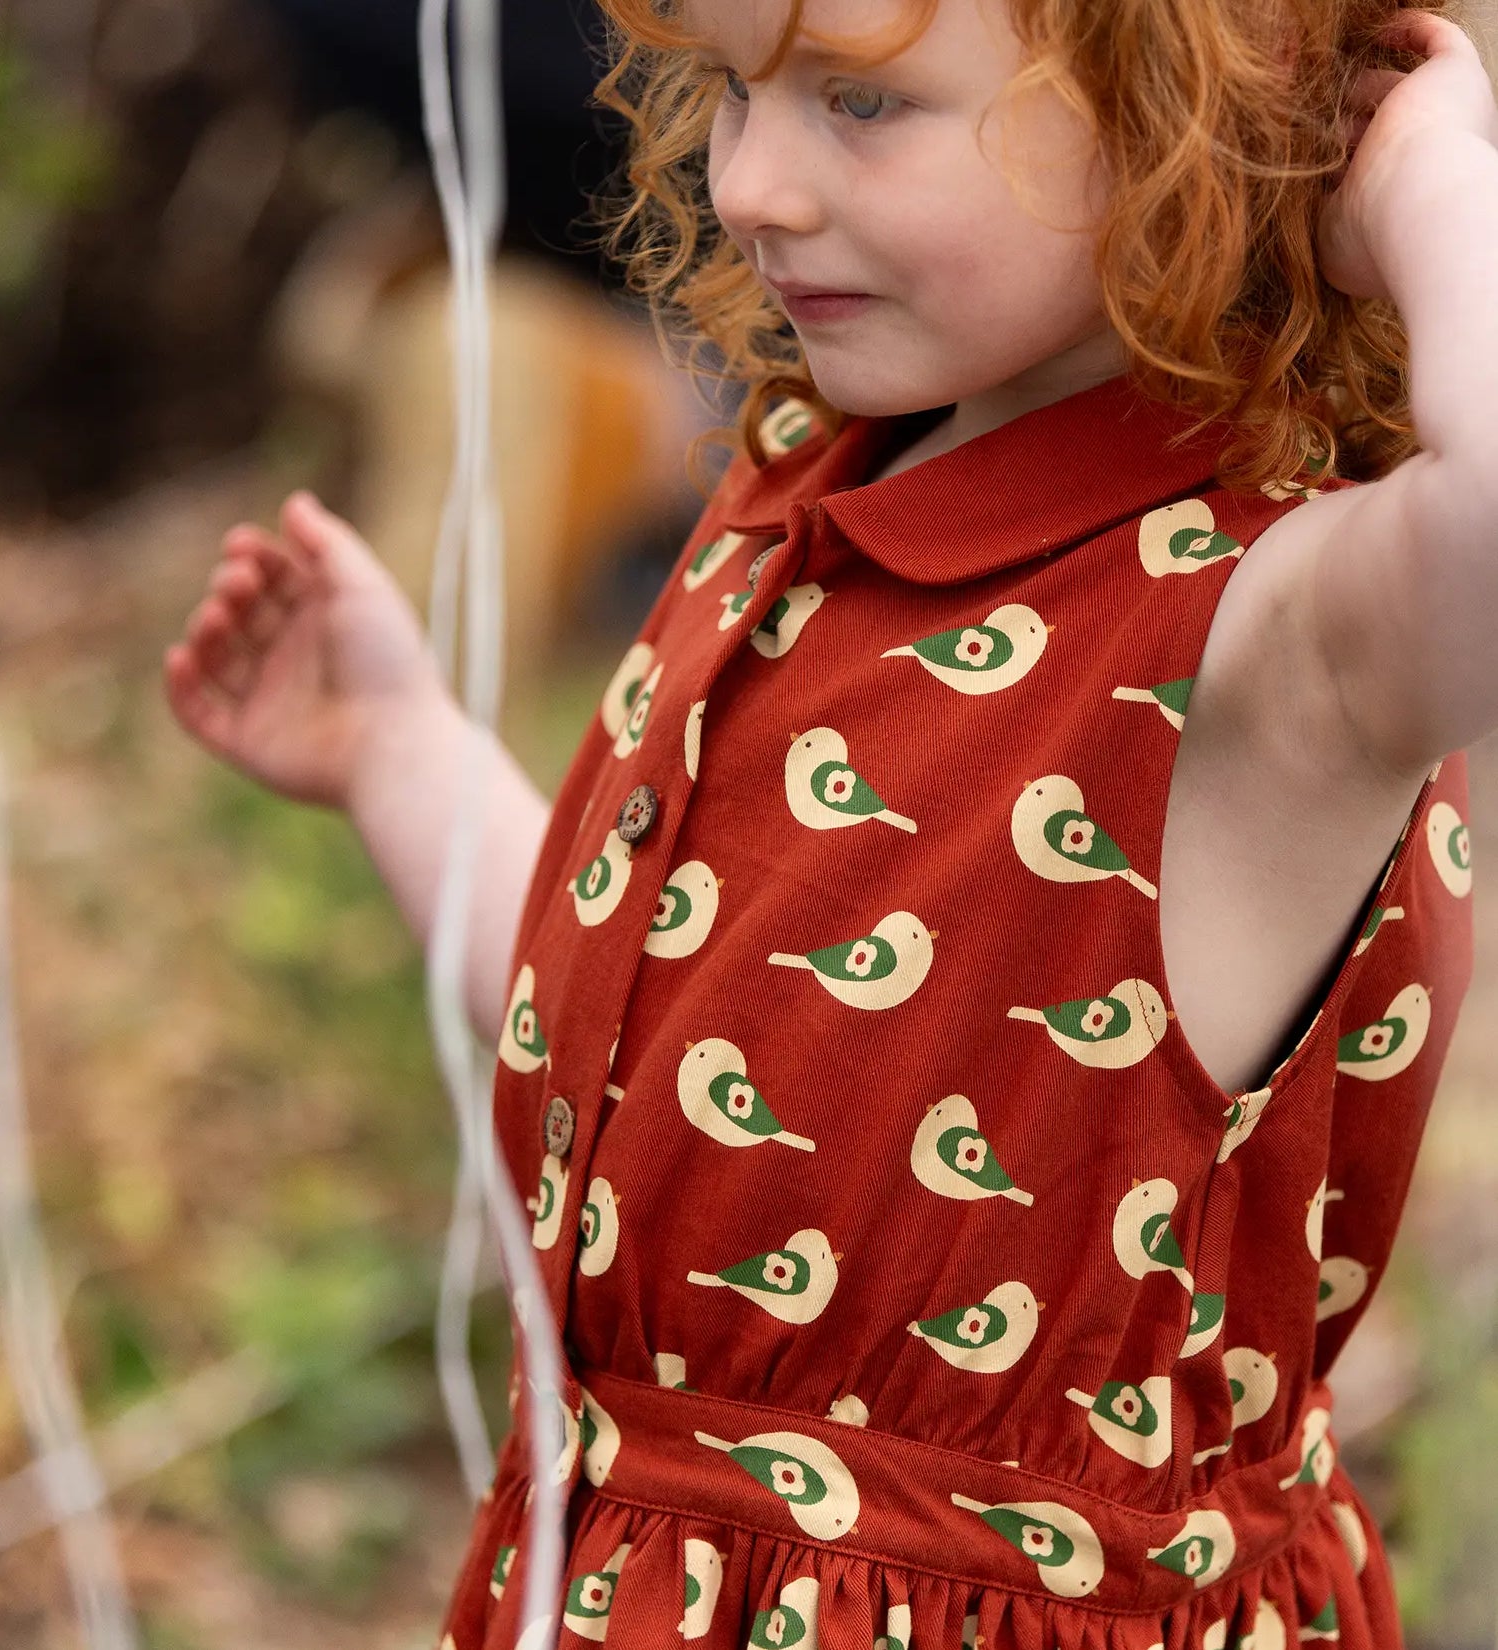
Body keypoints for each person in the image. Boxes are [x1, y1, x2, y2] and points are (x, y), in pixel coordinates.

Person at [163, 0, 1498, 1643]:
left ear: (1195, 109)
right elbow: (693, 1063)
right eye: (734, 89)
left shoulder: (1270, 634)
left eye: (865, 109)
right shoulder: (814, 492)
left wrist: (1421, 172)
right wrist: (399, 749)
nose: (753, 185)